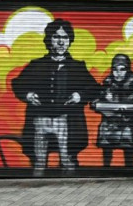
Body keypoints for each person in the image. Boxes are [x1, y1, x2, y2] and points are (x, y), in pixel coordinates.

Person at [12, 19, 99, 175]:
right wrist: (28, 94)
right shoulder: (36, 64)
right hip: (39, 119)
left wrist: (80, 95)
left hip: (66, 119)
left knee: (68, 160)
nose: (61, 42)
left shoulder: (77, 66)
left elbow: (94, 88)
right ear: (49, 40)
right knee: (39, 162)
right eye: (56, 37)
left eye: (65, 38)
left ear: (70, 41)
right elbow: (18, 84)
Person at [92, 54, 133, 167]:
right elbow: (94, 103)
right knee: (107, 155)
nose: (118, 73)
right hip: (108, 127)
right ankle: (105, 174)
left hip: (127, 127)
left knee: (128, 155)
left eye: (122, 69)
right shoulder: (106, 86)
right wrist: (103, 104)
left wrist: (127, 108)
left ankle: (130, 175)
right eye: (115, 69)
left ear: (128, 70)